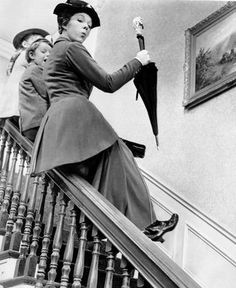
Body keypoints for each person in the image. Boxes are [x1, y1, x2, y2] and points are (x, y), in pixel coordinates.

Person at [30, 0, 178, 242]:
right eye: (80, 21)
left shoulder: (58, 50)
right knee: (121, 156)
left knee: (109, 165)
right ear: (64, 23)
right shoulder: (71, 48)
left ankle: (104, 229)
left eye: (89, 25)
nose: (86, 27)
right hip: (75, 114)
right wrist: (137, 62)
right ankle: (144, 224)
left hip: (60, 119)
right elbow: (108, 83)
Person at [0, 28, 49, 127]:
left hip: (11, 100)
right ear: (26, 45)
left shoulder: (20, 58)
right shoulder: (24, 55)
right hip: (17, 100)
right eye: (37, 42)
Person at [19, 38, 53, 142]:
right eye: (43, 51)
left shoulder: (30, 71)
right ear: (32, 55)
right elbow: (48, 92)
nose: (48, 55)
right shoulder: (35, 69)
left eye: (51, 54)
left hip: (30, 125)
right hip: (37, 122)